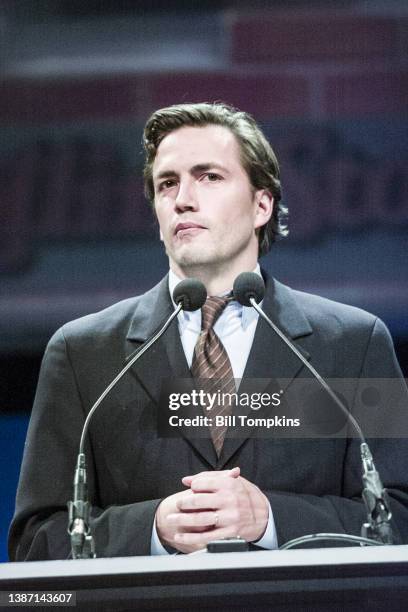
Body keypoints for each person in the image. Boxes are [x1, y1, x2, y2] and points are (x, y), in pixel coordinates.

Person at [9, 103, 408, 560]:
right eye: (167, 184)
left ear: (262, 204)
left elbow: (399, 515)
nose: (182, 199)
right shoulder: (83, 354)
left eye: (209, 177)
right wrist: (152, 529)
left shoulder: (353, 344)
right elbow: (36, 543)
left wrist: (270, 519)